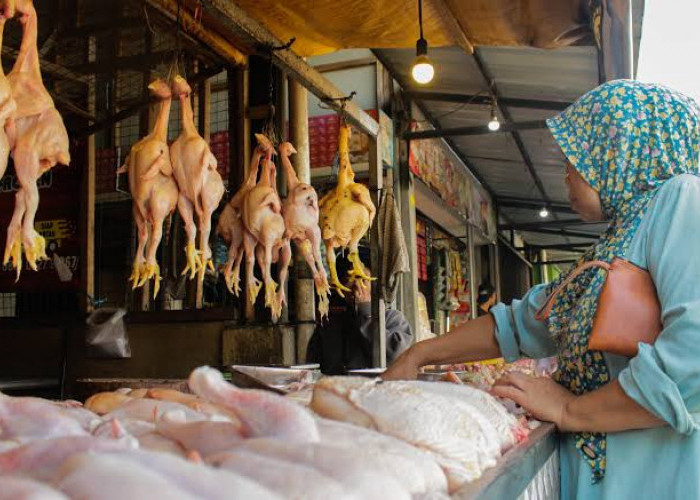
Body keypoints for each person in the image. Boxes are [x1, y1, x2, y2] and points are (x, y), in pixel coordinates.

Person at [383, 80, 700, 499]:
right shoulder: (614, 241)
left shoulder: (681, 200)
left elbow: (692, 356)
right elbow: (520, 324)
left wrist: (570, 409)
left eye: (576, 157)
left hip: (651, 481)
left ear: (619, 152)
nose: (565, 173)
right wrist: (419, 354)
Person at [306, 265, 413, 374]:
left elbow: (397, 355)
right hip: (335, 387)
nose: (357, 286)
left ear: (374, 286)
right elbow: (312, 362)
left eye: (363, 280)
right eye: (350, 280)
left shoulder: (392, 318)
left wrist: (365, 310)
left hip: (374, 388)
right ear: (342, 289)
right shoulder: (331, 322)